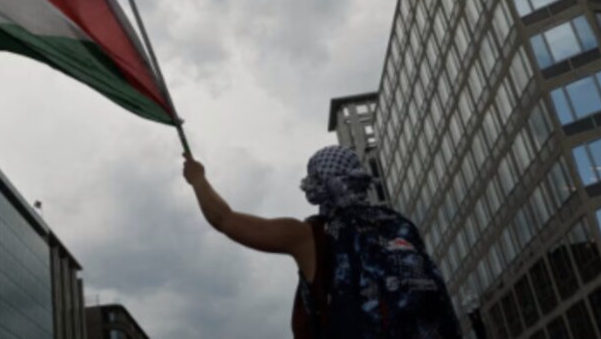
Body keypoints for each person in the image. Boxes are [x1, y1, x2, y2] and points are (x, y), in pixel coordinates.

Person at [183, 145, 461, 338]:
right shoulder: (400, 226)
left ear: (316, 186)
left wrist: (198, 179)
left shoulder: (310, 236)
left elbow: (224, 220)